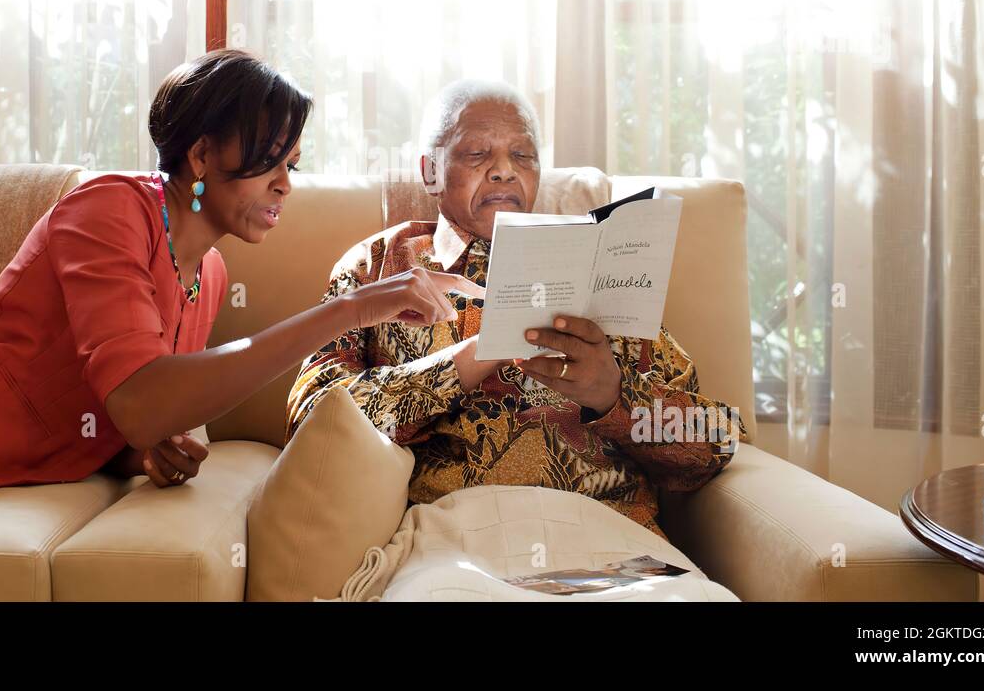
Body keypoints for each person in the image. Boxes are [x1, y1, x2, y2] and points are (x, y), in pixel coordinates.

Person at [0, 49, 481, 601]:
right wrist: (350, 311)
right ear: (201, 155)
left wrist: (146, 450)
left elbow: (130, 409)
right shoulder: (110, 210)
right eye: (267, 161)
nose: (286, 181)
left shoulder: (209, 272)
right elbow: (140, 395)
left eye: (291, 162)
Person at [286, 78, 746, 540]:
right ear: (430, 171)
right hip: (453, 541)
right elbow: (313, 424)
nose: (505, 171)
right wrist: (465, 362)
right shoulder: (378, 268)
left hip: (609, 539)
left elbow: (714, 442)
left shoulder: (603, 264)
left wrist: (614, 396)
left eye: (523, 155)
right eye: (476, 154)